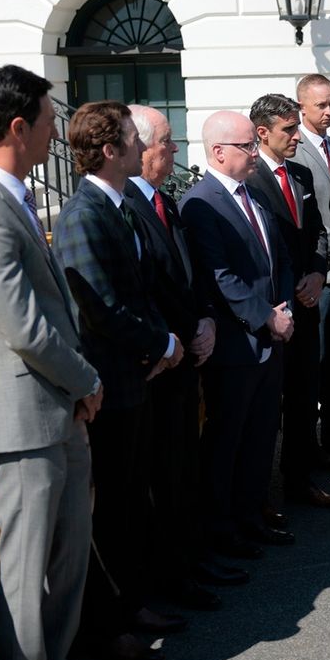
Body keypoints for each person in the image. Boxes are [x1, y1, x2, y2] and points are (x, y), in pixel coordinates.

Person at [0, 64, 102, 660]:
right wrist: (87, 381)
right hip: (23, 420)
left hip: (57, 409)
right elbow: (26, 329)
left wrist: (76, 389)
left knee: (66, 563)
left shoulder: (13, 198)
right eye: (47, 122)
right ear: (17, 127)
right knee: (27, 568)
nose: (56, 134)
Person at [51, 100, 184, 660]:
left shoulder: (120, 203)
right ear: (110, 149)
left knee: (132, 504)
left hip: (138, 377)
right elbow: (100, 307)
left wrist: (162, 340)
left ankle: (132, 606)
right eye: (133, 138)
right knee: (109, 514)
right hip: (110, 387)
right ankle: (106, 630)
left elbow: (140, 290)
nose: (142, 145)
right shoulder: (83, 213)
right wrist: (163, 344)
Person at [126, 105, 247, 604]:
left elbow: (189, 277)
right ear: (139, 148)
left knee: (184, 474)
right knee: (159, 483)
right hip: (154, 368)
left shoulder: (165, 202)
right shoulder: (125, 208)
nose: (176, 151)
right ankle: (170, 578)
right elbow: (135, 292)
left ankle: (192, 565)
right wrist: (171, 339)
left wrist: (205, 321)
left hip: (184, 360)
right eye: (167, 142)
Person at [179, 110, 295, 558]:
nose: (255, 152)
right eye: (247, 146)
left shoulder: (253, 194)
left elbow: (279, 258)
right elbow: (220, 275)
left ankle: (251, 517)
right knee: (227, 444)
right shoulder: (201, 202)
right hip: (235, 347)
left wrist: (282, 309)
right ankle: (221, 530)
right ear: (218, 152)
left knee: (262, 438)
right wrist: (267, 317)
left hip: (271, 340)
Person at [245, 93, 330, 507]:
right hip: (271, 313)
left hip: (306, 303)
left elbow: (318, 232)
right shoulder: (249, 181)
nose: (296, 136)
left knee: (306, 397)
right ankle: (260, 496)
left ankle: (299, 480)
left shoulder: (301, 174)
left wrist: (319, 273)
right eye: (288, 130)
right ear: (262, 132)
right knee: (269, 410)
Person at [293, 74, 330, 456]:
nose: (329, 111)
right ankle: (308, 439)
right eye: (321, 105)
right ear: (302, 107)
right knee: (314, 364)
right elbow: (312, 218)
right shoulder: (295, 151)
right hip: (323, 274)